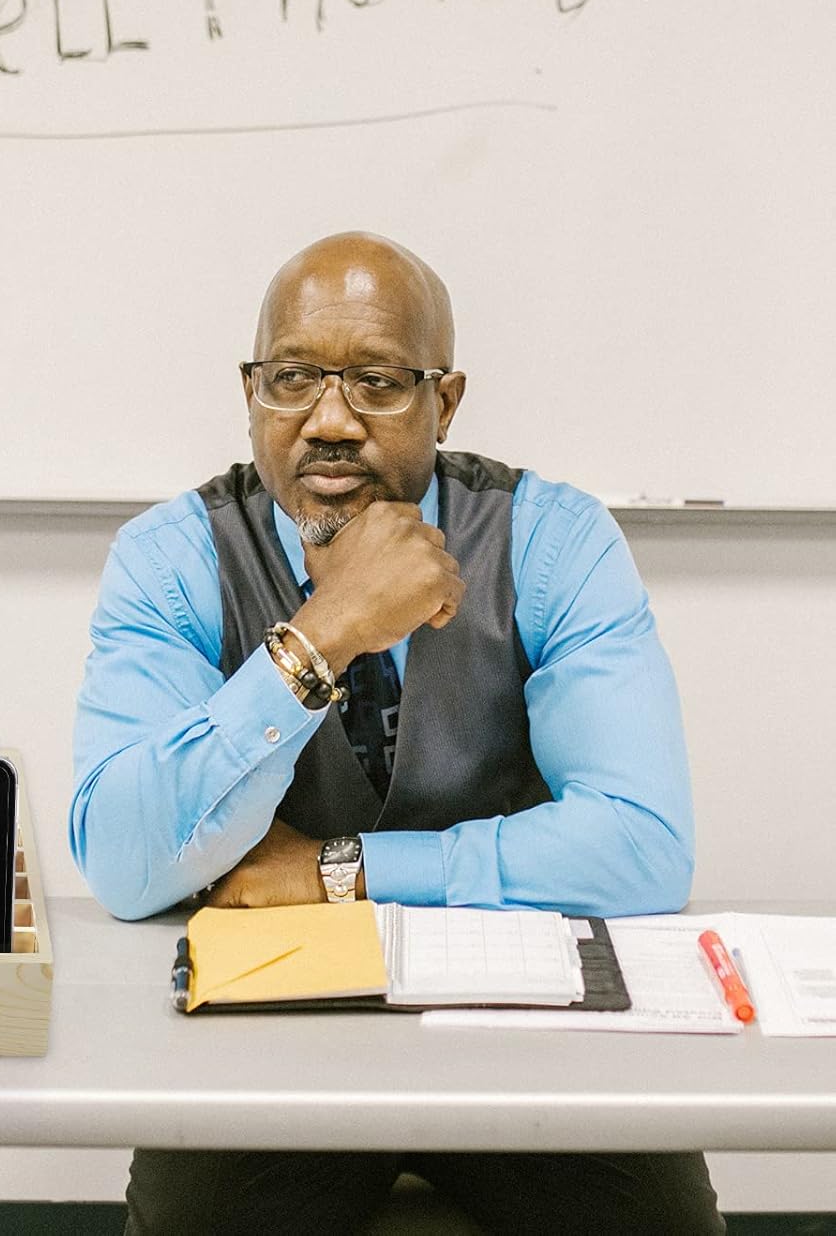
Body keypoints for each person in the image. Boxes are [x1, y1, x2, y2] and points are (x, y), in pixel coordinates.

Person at [70, 232, 724, 1234]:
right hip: (267, 1030)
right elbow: (124, 861)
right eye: (292, 378)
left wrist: (339, 871)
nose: (329, 421)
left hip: (527, 1020)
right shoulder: (171, 558)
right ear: (251, 393)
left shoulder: (555, 540)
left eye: (376, 382)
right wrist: (323, 634)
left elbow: (642, 844)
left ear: (443, 403)